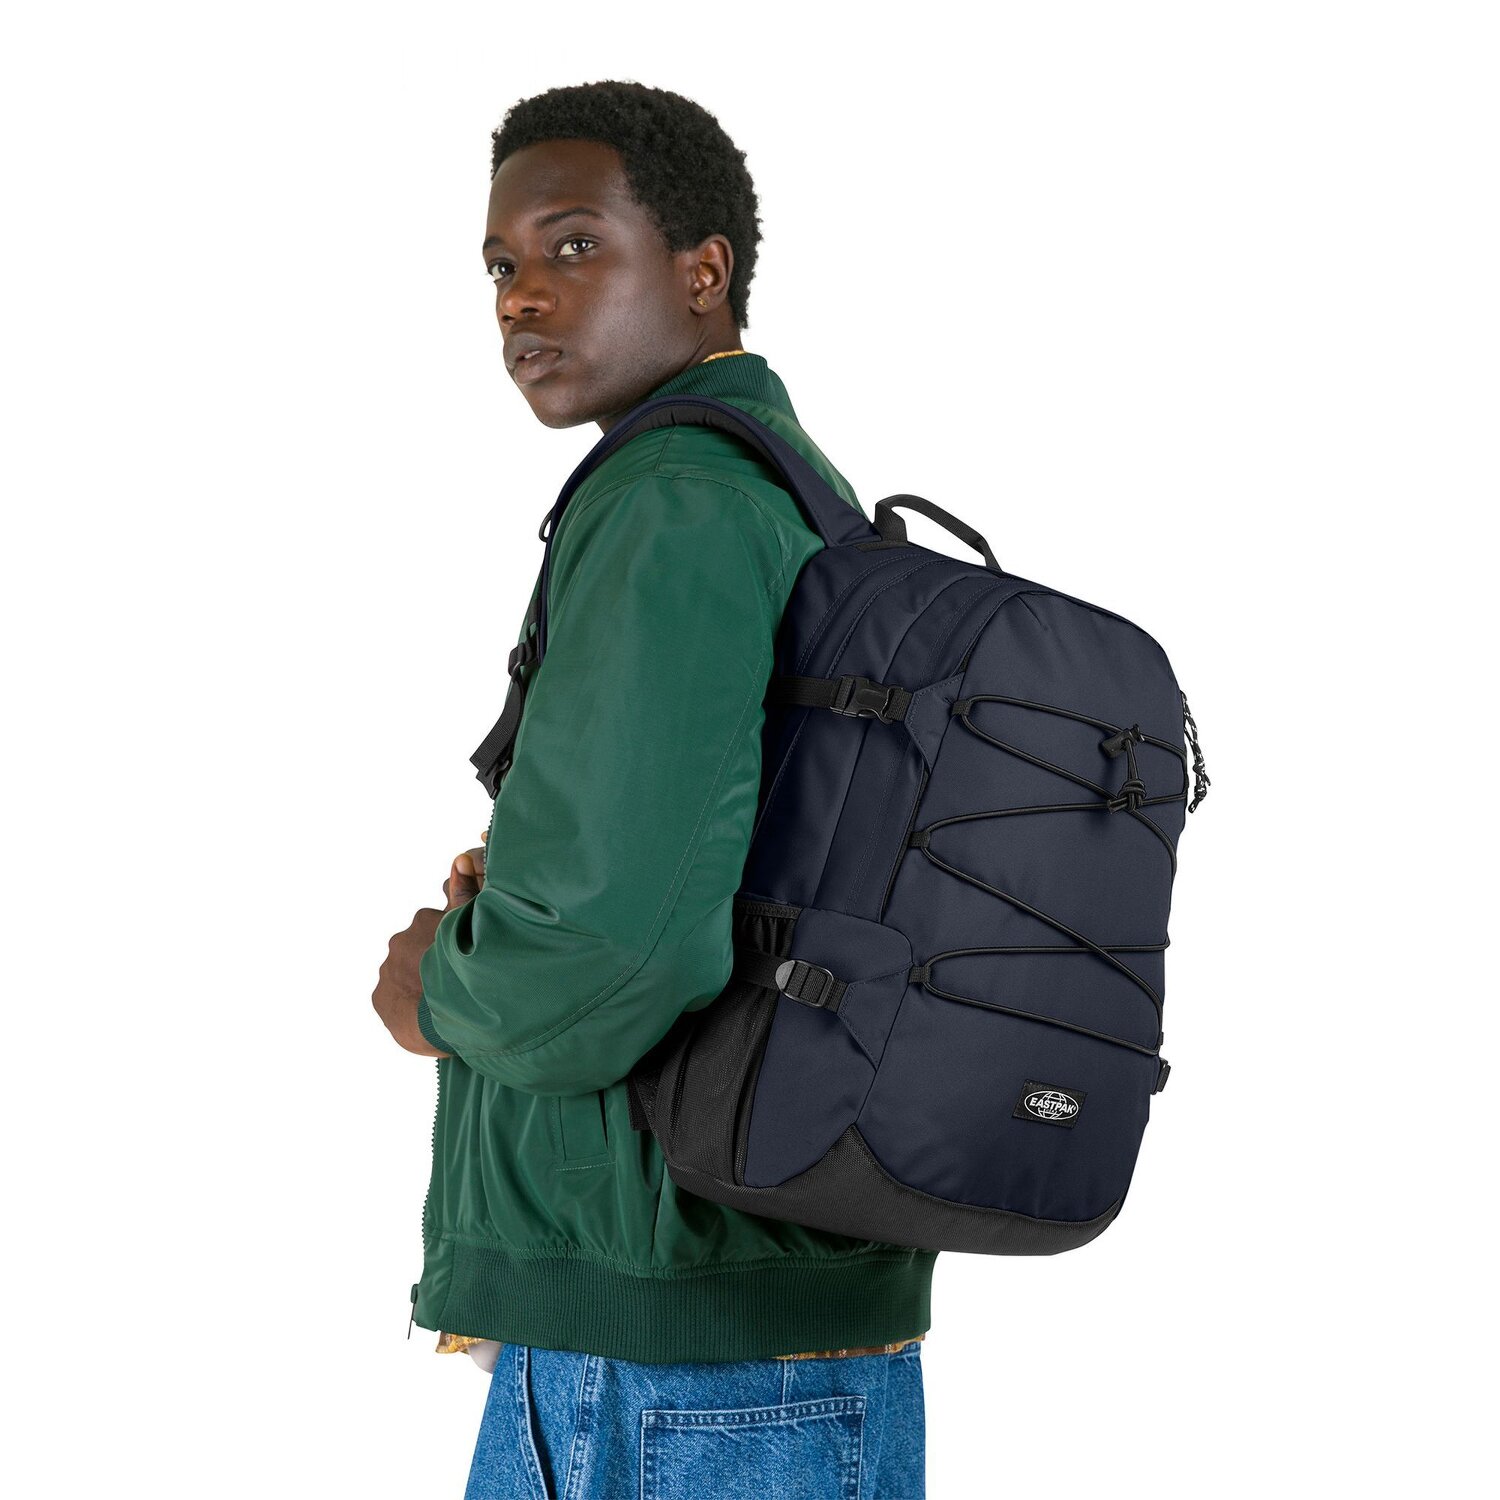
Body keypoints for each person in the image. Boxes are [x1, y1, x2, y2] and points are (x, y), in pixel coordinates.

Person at [372, 80, 932, 1499]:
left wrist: (443, 990)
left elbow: (614, 952)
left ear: (702, 270)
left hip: (678, 1359)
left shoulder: (676, 498)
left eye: (573, 246)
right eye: (500, 266)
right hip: (713, 1329)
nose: (522, 297)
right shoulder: (775, 486)